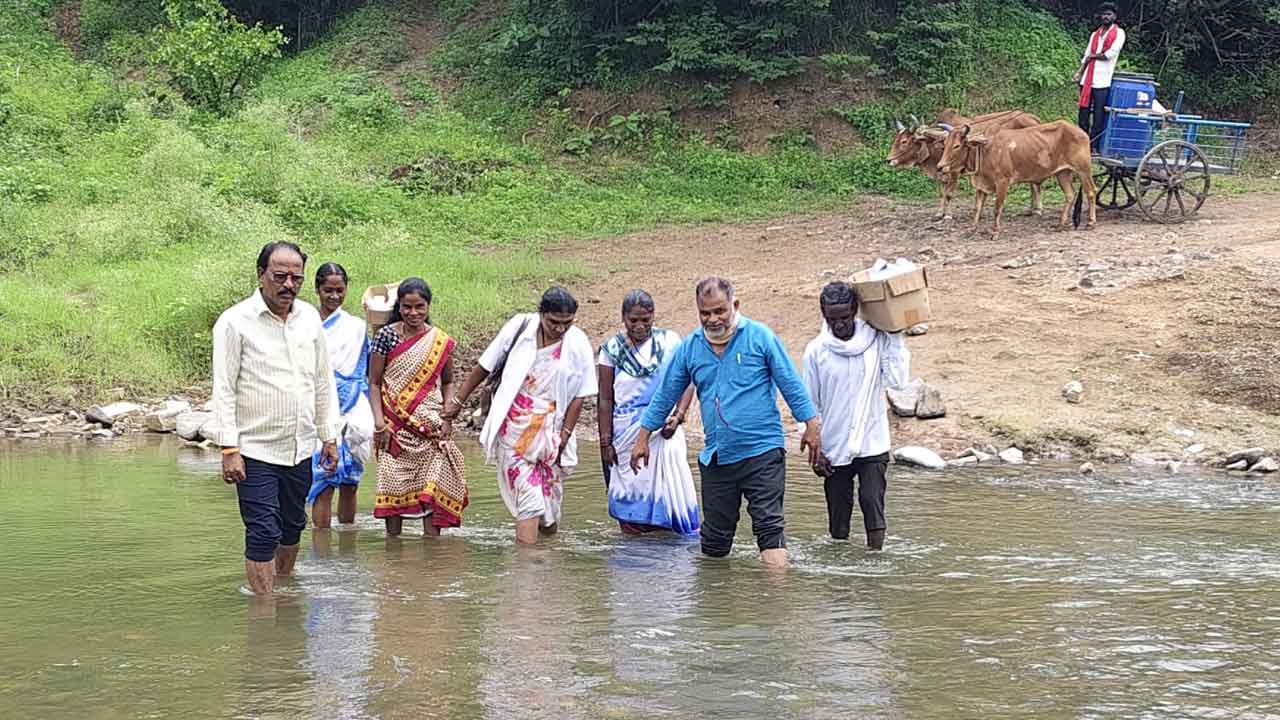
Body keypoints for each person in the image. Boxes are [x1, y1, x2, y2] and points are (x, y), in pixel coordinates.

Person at [631, 277, 820, 567]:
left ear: (735, 306)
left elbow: (790, 382)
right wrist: (643, 437)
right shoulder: (691, 348)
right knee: (715, 543)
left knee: (769, 529)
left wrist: (811, 425)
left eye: (720, 311)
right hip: (717, 457)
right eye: (705, 313)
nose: (713, 319)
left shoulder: (760, 337)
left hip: (762, 451)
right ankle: (715, 607)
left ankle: (775, 606)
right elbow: (666, 394)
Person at [209, 241, 340, 596]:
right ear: (260, 275)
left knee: (292, 527)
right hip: (254, 448)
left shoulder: (309, 317)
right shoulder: (234, 323)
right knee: (263, 530)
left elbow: (322, 380)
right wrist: (228, 448)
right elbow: (223, 388)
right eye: (279, 276)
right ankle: (264, 612)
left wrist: (329, 436)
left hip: (299, 446)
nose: (288, 285)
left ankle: (282, 594)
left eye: (296, 278)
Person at [445, 287, 598, 545]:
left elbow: (580, 395)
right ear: (541, 314)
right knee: (530, 502)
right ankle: (527, 574)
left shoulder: (578, 342)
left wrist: (564, 436)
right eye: (553, 322)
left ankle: (544, 563)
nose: (560, 329)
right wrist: (457, 403)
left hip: (551, 436)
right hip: (514, 432)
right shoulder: (520, 327)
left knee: (549, 515)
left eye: (566, 323)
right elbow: (485, 365)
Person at [801, 281, 911, 550]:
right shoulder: (816, 351)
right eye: (832, 318)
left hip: (872, 440)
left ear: (855, 310)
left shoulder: (877, 340)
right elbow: (808, 403)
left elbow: (897, 381)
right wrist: (816, 449)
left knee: (872, 500)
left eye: (845, 317)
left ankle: (876, 560)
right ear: (823, 315)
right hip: (833, 445)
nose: (839, 325)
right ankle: (840, 568)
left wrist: (896, 335)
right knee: (838, 515)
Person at [368, 277, 468, 537]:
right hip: (394, 428)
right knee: (392, 497)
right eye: (406, 307)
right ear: (398, 307)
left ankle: (432, 566)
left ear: (428, 306)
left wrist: (447, 416)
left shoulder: (439, 341)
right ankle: (393, 560)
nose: (413, 313)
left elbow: (447, 382)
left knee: (431, 495)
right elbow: (375, 382)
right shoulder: (385, 336)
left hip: (430, 427)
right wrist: (379, 424)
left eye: (419, 307)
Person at [597, 289, 700, 535]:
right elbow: (605, 398)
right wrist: (605, 441)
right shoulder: (611, 350)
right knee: (630, 491)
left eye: (646, 320)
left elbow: (688, 380)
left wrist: (679, 415)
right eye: (634, 320)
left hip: (665, 428)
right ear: (623, 318)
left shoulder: (671, 342)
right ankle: (634, 559)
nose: (640, 326)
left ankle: (671, 546)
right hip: (625, 433)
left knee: (670, 490)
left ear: (654, 316)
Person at [307, 262, 375, 529]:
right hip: (318, 406)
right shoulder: (305, 323)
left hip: (354, 405)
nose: (334, 296)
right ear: (317, 290)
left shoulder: (356, 327)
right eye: (328, 290)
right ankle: (322, 552)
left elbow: (366, 367)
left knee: (350, 482)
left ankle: (348, 544)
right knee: (324, 479)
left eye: (340, 290)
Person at [1073, 2, 1125, 152]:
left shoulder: (1119, 33)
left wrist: (1092, 56)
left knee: (1098, 115)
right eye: (1104, 14)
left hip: (1102, 81)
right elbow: (1086, 56)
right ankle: (1081, 144)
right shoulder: (1095, 34)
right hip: (1087, 80)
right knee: (1083, 113)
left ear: (1114, 16)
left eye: (1109, 14)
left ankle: (1093, 146)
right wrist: (1079, 72)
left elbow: (1110, 54)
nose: (1106, 17)